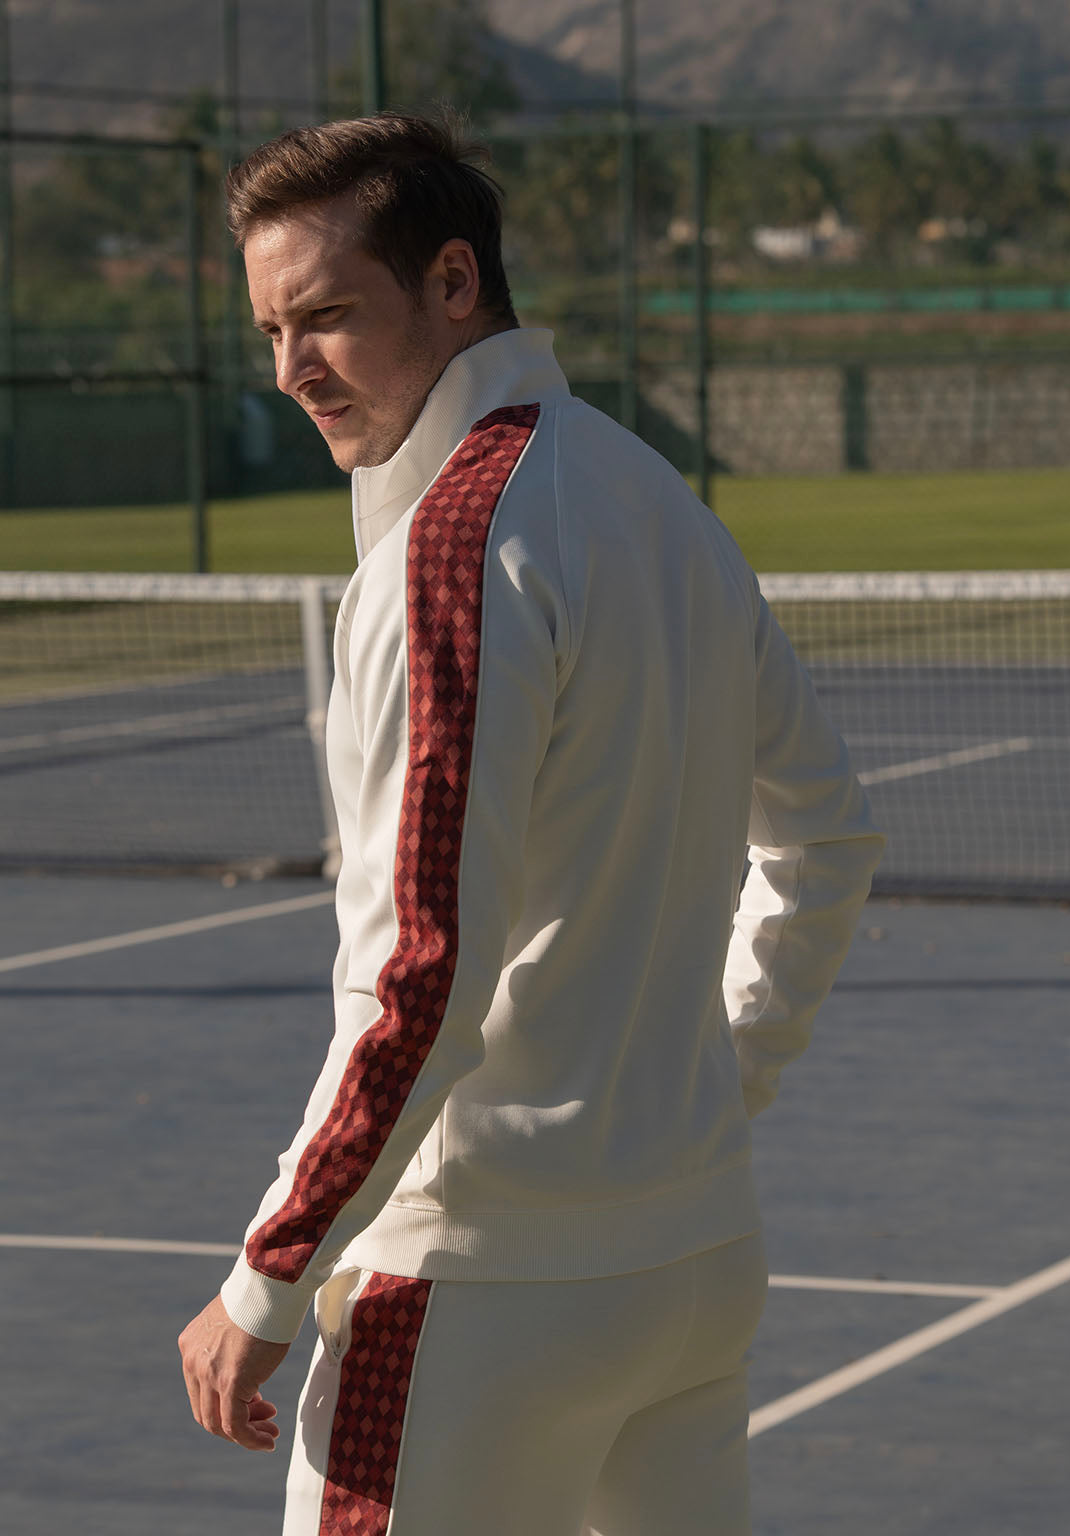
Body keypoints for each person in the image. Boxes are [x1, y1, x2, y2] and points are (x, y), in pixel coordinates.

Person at [178, 111, 885, 1536]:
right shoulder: (656, 497)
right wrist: (715, 1088)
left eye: (327, 316)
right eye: (270, 330)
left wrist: (269, 1274)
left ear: (454, 283)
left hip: (478, 1299)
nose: (291, 369)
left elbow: (419, 976)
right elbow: (825, 841)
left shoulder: (449, 549)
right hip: (696, 1266)